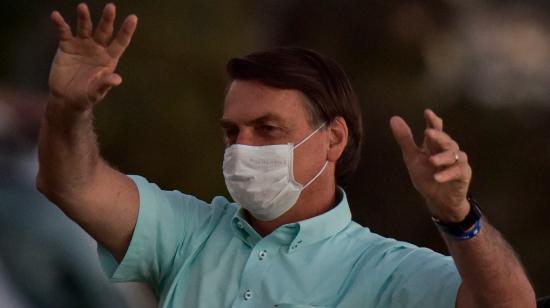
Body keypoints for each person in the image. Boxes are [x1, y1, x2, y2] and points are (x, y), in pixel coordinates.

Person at [37, 3, 536, 307]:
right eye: (232, 131)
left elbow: (511, 305)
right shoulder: (189, 233)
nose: (242, 147)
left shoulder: (383, 269)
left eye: (267, 128)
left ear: (333, 139)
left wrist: (457, 216)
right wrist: (67, 108)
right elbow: (70, 184)